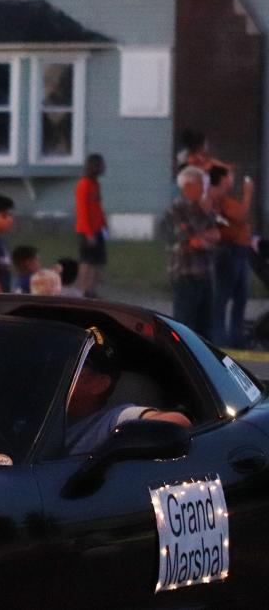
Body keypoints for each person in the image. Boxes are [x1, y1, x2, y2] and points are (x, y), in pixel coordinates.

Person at [65, 327, 190, 455]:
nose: (62, 368)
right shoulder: (45, 407)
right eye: (61, 360)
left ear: (100, 384)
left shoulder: (111, 421)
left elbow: (179, 422)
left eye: (76, 363)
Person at [162, 166, 220, 339]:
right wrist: (201, 239)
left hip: (205, 275)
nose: (204, 190)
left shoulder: (203, 209)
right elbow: (191, 241)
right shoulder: (176, 210)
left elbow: (216, 235)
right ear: (188, 186)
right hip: (186, 275)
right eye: (200, 186)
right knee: (185, 326)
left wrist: (201, 238)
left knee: (206, 328)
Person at [209, 166, 255, 347]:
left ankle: (236, 340)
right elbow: (242, 216)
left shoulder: (228, 199)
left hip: (242, 252)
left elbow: (243, 219)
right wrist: (248, 193)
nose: (233, 177)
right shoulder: (219, 200)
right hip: (230, 252)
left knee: (241, 298)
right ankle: (219, 341)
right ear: (222, 179)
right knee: (221, 298)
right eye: (229, 175)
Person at [75, 153, 108, 298]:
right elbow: (82, 209)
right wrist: (88, 233)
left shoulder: (96, 185)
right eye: (100, 164)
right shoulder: (84, 184)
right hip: (86, 229)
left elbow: (98, 206)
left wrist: (104, 224)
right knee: (87, 261)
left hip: (98, 228)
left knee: (98, 261)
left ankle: (92, 290)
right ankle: (83, 290)